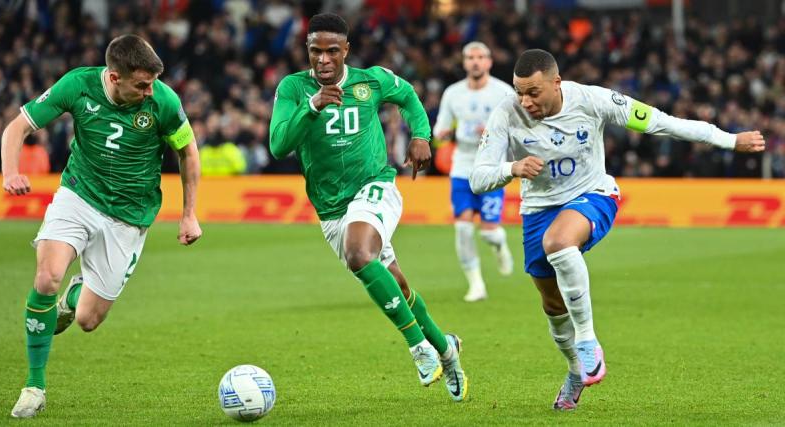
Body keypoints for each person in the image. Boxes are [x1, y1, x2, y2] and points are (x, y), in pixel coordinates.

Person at [471, 49, 765, 411]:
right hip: (537, 210)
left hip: (592, 195)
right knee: (552, 303)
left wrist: (728, 140)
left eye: (533, 92)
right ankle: (576, 370)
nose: (525, 101)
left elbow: (660, 121)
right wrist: (511, 168)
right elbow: (478, 178)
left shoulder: (593, 100)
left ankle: (588, 341)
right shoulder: (506, 114)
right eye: (519, 92)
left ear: (556, 83)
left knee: (559, 242)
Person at [269, 13, 468, 402]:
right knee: (397, 284)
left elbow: (407, 96)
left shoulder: (370, 80)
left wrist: (422, 135)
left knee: (359, 253)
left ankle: (418, 348)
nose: (322, 60)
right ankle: (446, 348)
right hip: (331, 208)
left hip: (376, 185)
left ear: (346, 50)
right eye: (315, 51)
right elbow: (278, 145)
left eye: (331, 51)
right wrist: (311, 106)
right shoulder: (293, 88)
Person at [2, 34, 203, 418]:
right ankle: (34, 386)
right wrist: (10, 172)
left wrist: (189, 212)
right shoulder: (78, 85)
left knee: (88, 320)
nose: (150, 91)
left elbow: (187, 152)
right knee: (46, 277)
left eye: (153, 84)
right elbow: (17, 127)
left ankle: (76, 296)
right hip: (79, 195)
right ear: (113, 78)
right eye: (141, 84)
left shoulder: (164, 101)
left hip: (130, 215)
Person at [433, 41, 516, 303]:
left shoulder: (503, 92)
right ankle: (476, 284)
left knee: (489, 232)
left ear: (490, 62)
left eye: (481, 57)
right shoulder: (453, 93)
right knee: (463, 229)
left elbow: (519, 129)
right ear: (464, 62)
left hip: (492, 167)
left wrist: (493, 134)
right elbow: (438, 131)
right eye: (471, 57)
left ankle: (500, 245)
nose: (476, 62)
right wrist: (442, 135)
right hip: (462, 166)